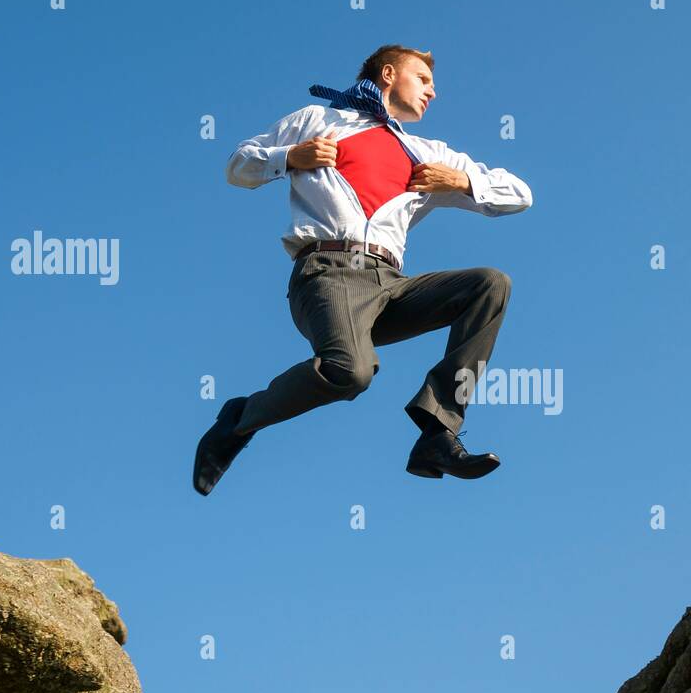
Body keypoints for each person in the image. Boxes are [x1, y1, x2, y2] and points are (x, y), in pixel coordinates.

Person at [193, 44, 533, 496]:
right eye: (424, 79)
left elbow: (520, 194)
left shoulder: (426, 153)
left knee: (490, 284)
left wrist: (463, 181)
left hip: (391, 284)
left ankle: (437, 433)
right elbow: (239, 165)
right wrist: (292, 157)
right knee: (350, 372)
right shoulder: (318, 121)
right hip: (328, 271)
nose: (433, 91)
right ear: (389, 74)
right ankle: (239, 420)